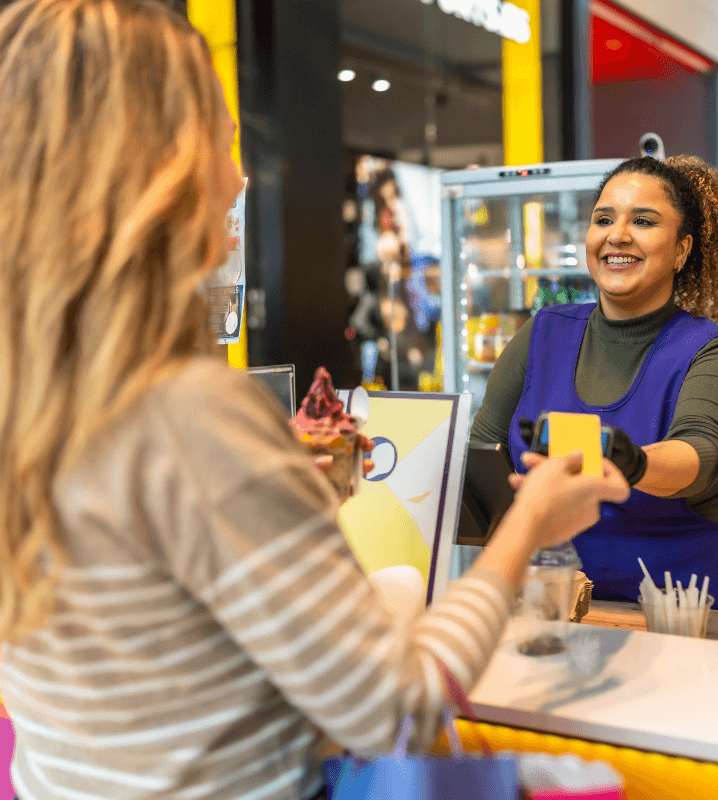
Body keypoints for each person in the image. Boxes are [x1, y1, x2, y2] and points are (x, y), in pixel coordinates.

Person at [0, 2, 630, 799]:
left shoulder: (34, 397)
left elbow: (151, 645)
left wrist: (289, 494)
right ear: (143, 168)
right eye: (219, 142)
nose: (237, 177)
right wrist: (529, 524)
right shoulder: (187, 416)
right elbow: (395, 709)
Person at [472, 155, 718, 613]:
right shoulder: (542, 333)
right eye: (603, 219)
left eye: (643, 221)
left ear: (682, 250)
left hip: (684, 613)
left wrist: (633, 462)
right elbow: (483, 454)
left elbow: (700, 454)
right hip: (553, 603)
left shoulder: (716, 354)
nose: (617, 235)